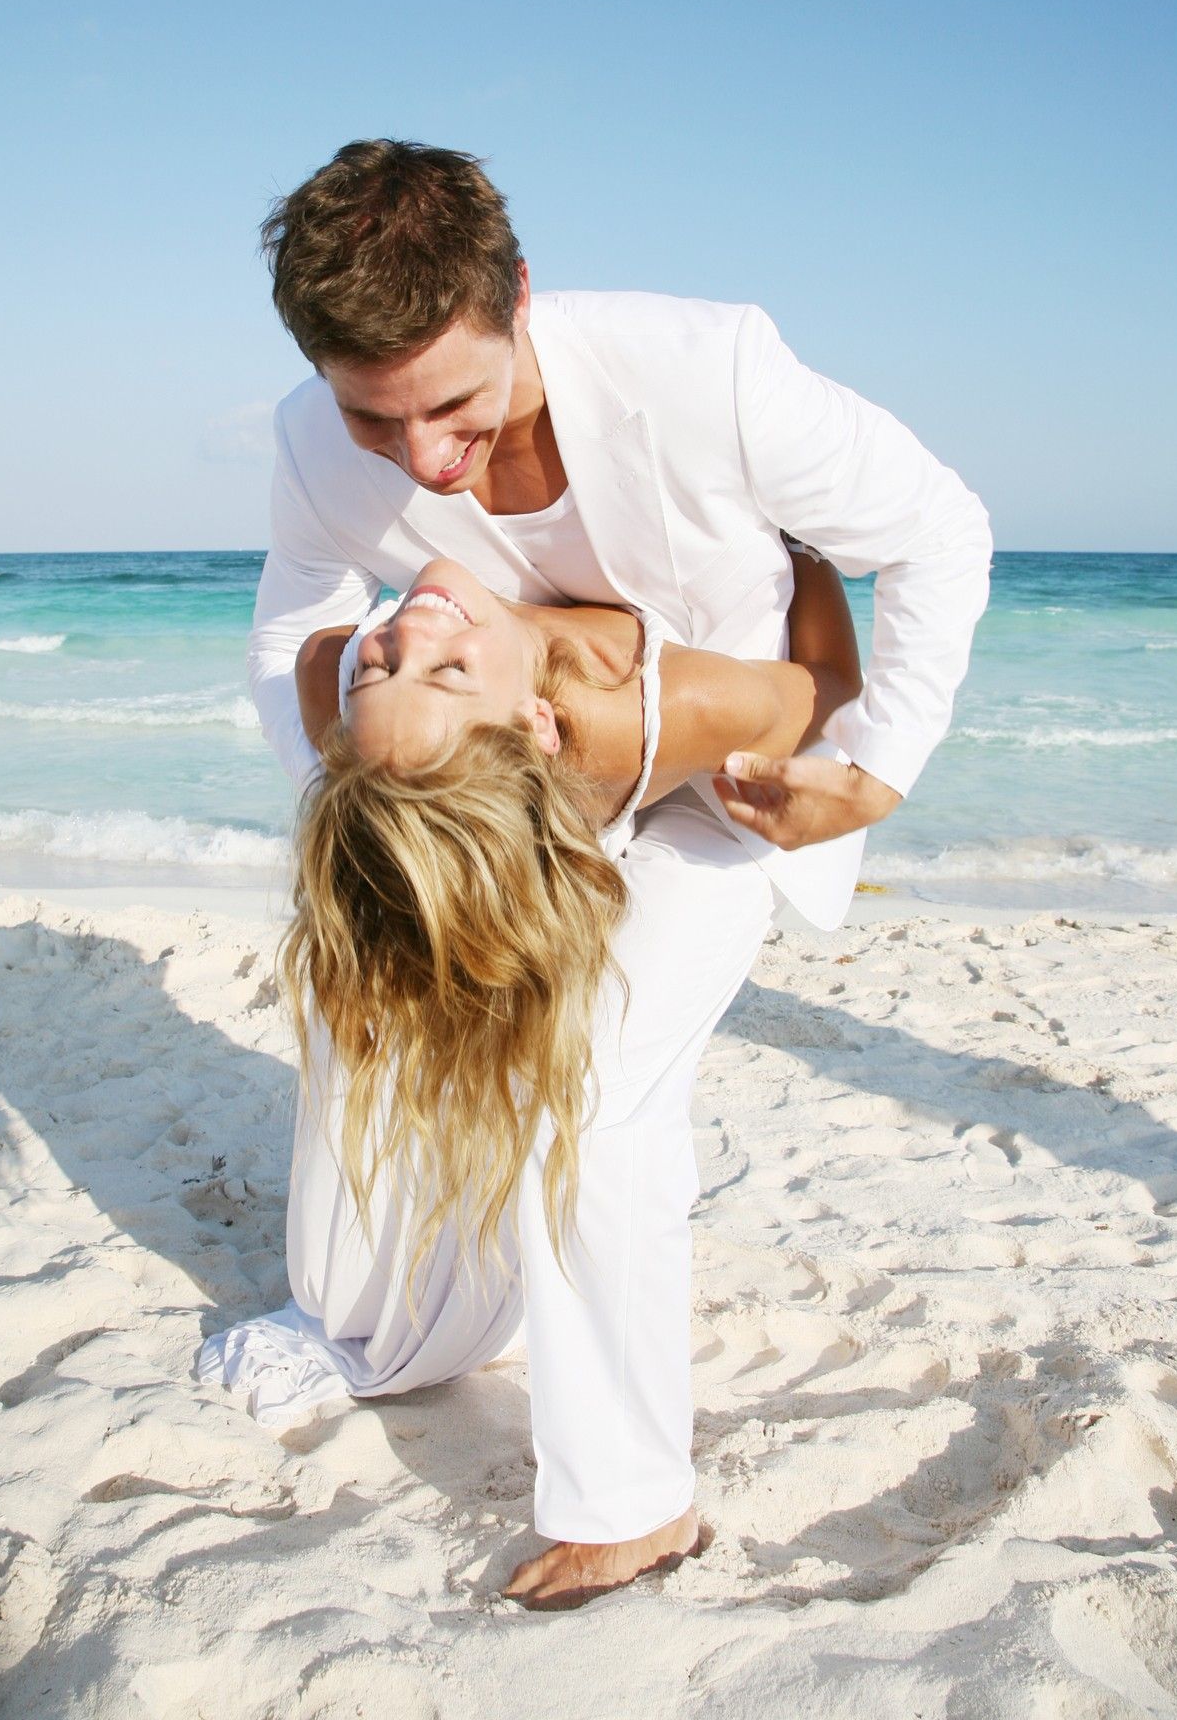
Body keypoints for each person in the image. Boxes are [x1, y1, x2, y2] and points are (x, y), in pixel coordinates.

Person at [214, 140, 994, 1609]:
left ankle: (633, 1502)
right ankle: (389, 1321)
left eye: (452, 404)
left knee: (597, 1077)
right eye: (377, 419)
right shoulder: (317, 444)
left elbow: (940, 533)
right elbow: (285, 635)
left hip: (712, 779)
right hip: (485, 774)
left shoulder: (712, 372)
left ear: (517, 292)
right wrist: (381, 787)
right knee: (358, 1011)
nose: (426, 460)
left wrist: (877, 763)